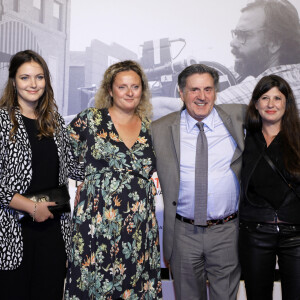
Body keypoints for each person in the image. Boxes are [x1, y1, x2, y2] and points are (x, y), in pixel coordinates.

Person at [64, 60, 162, 299]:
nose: (130, 93)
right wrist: (85, 182)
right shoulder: (90, 120)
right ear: (109, 90)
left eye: (135, 87)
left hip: (138, 229)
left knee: (135, 286)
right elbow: (63, 157)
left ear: (143, 90)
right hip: (95, 226)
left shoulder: (153, 128)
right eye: (122, 87)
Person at [151, 64, 247, 300]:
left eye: (208, 89)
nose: (202, 97)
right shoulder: (159, 129)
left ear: (215, 92)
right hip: (183, 233)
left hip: (227, 232)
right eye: (194, 90)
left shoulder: (238, 117)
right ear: (181, 93)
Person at [0, 50, 84, 300]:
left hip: (54, 232)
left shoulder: (55, 121)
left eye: (39, 77)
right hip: (11, 232)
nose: (33, 84)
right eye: (25, 77)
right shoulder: (2, 121)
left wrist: (87, 182)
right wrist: (30, 207)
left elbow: (74, 166)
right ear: (13, 82)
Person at [239, 74, 300, 300]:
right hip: (255, 233)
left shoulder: (297, 137)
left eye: (277, 98)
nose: (271, 104)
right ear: (256, 104)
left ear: (287, 103)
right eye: (265, 98)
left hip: (296, 235)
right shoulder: (243, 138)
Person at [217, 0, 300, 113]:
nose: (233, 42)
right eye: (236, 34)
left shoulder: (255, 95)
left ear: (274, 42)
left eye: (243, 35)